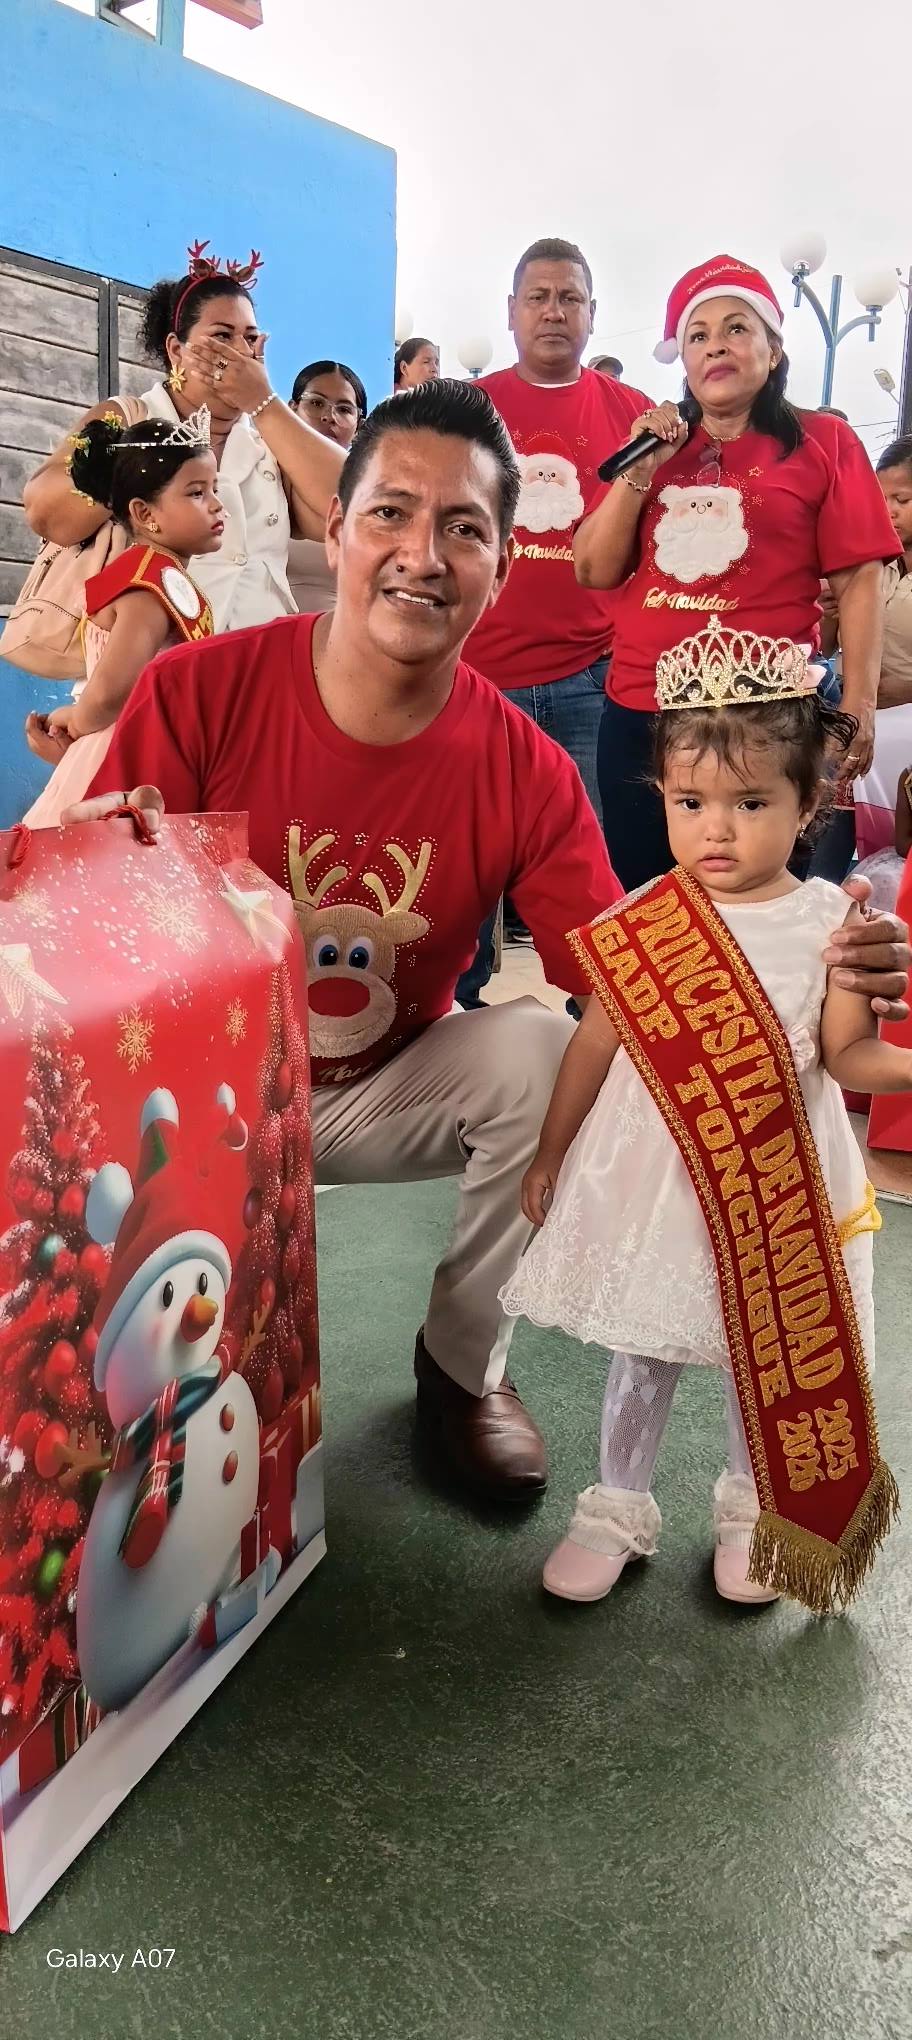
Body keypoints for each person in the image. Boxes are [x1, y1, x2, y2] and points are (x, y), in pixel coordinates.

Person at [64, 385, 912, 1510]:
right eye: (391, 513)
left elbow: (627, 978)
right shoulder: (198, 688)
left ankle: (461, 1373)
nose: (423, 555)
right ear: (338, 526)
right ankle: (132, 1376)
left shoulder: (525, 766)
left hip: (380, 1090)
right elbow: (97, 931)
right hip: (200, 1095)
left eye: (463, 528)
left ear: (504, 567)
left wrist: (814, 964)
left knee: (537, 1051)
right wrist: (74, 871)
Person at [502, 632, 909, 1607]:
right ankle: (614, 1507)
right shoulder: (649, 915)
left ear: (809, 806)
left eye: (750, 803)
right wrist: (551, 1150)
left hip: (780, 1181)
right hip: (655, 1179)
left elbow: (848, 1056)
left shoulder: (831, 924)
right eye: (690, 803)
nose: (716, 829)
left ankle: (749, 1510)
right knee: (644, 1345)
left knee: (758, 1353)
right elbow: (593, 1045)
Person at [574, 255, 902, 891]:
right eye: (698, 335)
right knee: (650, 901)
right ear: (684, 359)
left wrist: (859, 703)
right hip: (644, 711)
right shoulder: (654, 447)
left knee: (762, 900)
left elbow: (858, 579)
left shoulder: (824, 442)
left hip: (768, 718)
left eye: (736, 328)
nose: (716, 346)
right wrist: (641, 470)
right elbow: (593, 568)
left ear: (773, 350)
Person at [456, 239, 649, 1007]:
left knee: (592, 877)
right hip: (473, 682)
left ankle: (598, 1029)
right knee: (460, 867)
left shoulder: (633, 416)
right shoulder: (468, 411)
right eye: (538, 296)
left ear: (593, 313)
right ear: (511, 311)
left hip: (592, 684)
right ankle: (448, 1020)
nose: (554, 311)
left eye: (570, 297)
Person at [23, 243, 344, 638]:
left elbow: (347, 500)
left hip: (257, 658)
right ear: (177, 350)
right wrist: (138, 468)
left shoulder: (270, 441)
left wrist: (264, 403)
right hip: (152, 658)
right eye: (222, 336)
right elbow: (45, 512)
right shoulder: (131, 417)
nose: (240, 352)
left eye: (250, 338)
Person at [22, 412, 220, 823]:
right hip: (130, 755)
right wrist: (76, 720)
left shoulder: (153, 574)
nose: (217, 504)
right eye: (197, 493)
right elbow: (110, 693)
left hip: (140, 744)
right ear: (145, 514)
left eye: (214, 489)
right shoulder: (147, 583)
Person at [854, 438, 912, 860]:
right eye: (882, 498)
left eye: (902, 500)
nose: (889, 510)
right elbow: (829, 643)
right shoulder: (871, 565)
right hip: (861, 726)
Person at [287, 359, 367, 614]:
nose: (328, 417)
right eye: (316, 403)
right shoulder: (261, 470)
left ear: (359, 425)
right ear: (292, 409)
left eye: (344, 409)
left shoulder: (370, 489)